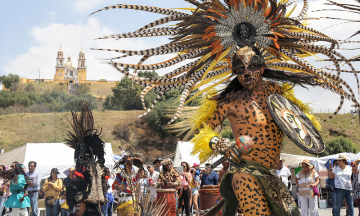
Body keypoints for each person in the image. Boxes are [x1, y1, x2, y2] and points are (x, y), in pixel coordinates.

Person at [65, 103, 108, 216]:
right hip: (97, 202)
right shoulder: (98, 166)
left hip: (85, 201)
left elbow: (80, 182)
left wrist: (70, 186)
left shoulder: (84, 165)